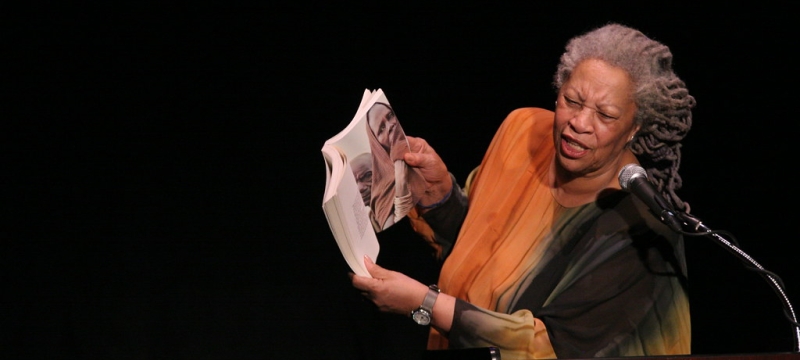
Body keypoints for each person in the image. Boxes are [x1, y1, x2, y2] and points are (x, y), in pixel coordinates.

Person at [350, 22, 695, 359]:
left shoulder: (639, 225)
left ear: (634, 127)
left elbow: (547, 347)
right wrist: (437, 196)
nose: (580, 123)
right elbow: (477, 255)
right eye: (572, 100)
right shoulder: (523, 131)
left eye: (605, 115)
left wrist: (424, 303)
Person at [365, 101, 421, 230]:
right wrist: (401, 184)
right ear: (377, 145)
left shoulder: (419, 145)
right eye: (381, 129)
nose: (391, 125)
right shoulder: (381, 192)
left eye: (390, 115)